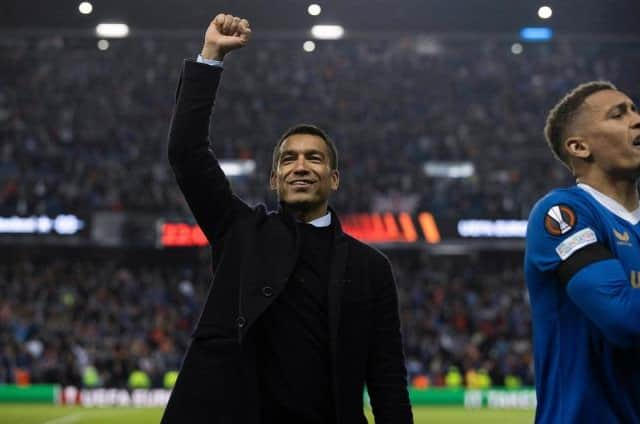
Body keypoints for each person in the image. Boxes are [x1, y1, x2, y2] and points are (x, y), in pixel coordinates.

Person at [161, 13, 413, 424]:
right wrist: (210, 58)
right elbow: (186, 155)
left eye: (314, 158)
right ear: (273, 179)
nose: (300, 166)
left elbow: (386, 377)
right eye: (288, 159)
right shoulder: (240, 233)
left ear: (334, 179)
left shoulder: (370, 268)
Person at [525, 81, 640, 422]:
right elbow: (624, 321)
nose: (636, 119)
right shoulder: (562, 213)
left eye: (634, 109)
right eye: (618, 114)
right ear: (579, 146)